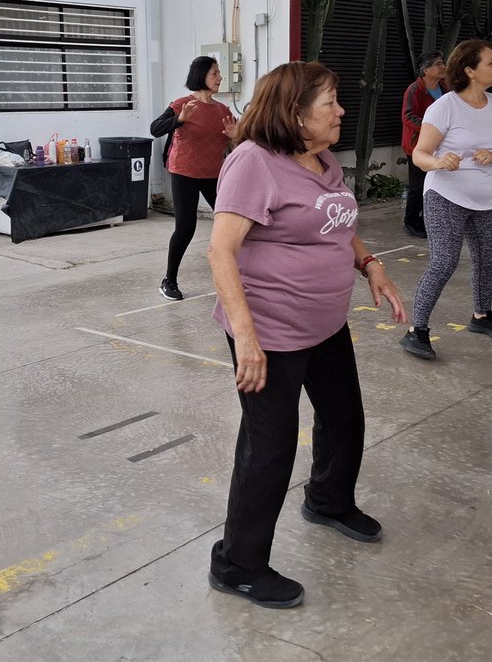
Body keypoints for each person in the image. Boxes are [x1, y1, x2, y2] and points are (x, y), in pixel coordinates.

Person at [206, 61, 406, 609]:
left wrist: (371, 265)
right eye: (331, 102)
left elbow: (336, 222)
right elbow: (221, 251)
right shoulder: (253, 162)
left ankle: (328, 501)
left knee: (345, 419)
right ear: (294, 113)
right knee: (268, 449)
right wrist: (247, 340)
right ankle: (237, 565)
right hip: (269, 330)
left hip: (325, 324)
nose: (342, 110)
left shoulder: (321, 159)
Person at [399, 40, 492, 361]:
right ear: (469, 71)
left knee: (487, 259)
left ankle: (481, 316)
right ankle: (417, 331)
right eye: (491, 62)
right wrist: (438, 162)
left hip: (488, 199)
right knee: (444, 262)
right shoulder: (445, 107)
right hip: (446, 196)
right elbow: (421, 155)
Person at [150, 55, 236, 301]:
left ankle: (241, 274)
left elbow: (236, 143)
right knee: (186, 228)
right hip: (184, 172)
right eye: (215, 74)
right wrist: (179, 120)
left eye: (219, 73)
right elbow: (155, 129)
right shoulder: (182, 104)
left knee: (231, 223)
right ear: (201, 77)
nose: (220, 78)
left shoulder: (223, 110)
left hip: (213, 174)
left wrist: (236, 135)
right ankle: (169, 280)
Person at [401, 50, 446, 237]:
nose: (443, 67)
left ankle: (428, 220)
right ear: (425, 70)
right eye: (438, 64)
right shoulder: (415, 90)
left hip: (438, 146)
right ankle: (411, 222)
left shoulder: (445, 89)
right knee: (417, 186)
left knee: (435, 186)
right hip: (417, 146)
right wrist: (430, 127)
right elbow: (407, 116)